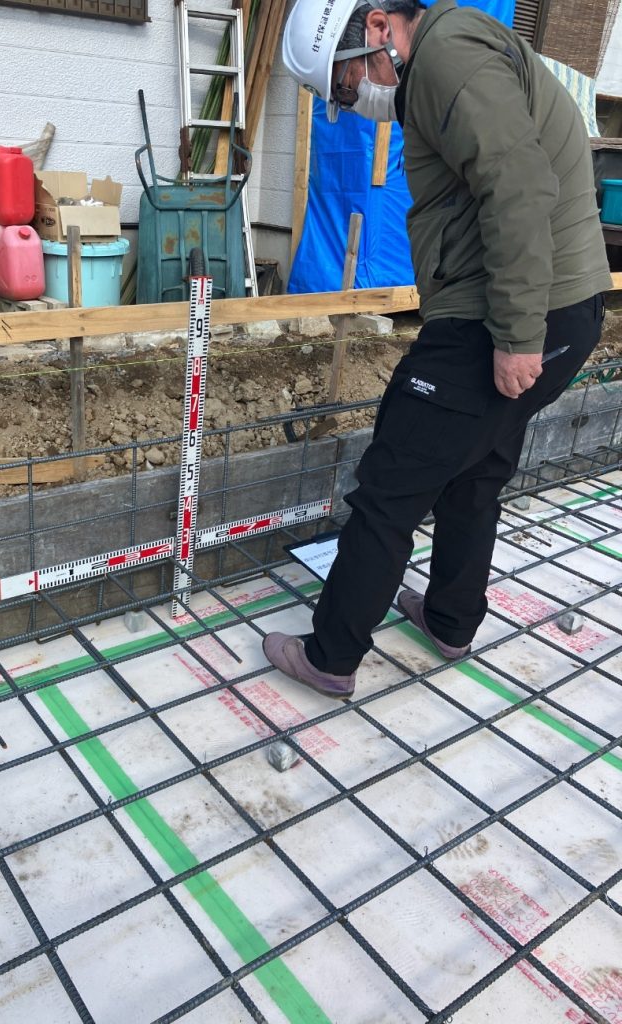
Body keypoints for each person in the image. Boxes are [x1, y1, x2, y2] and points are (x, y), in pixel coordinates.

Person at [264, 0, 612, 698]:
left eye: (347, 83)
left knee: (391, 487)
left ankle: (331, 656)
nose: (355, 99)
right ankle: (451, 619)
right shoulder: (448, 57)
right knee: (474, 472)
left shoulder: (447, 58)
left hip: (509, 316)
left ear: (377, 30)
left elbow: (517, 186)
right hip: (555, 306)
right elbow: (475, 156)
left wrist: (518, 337)